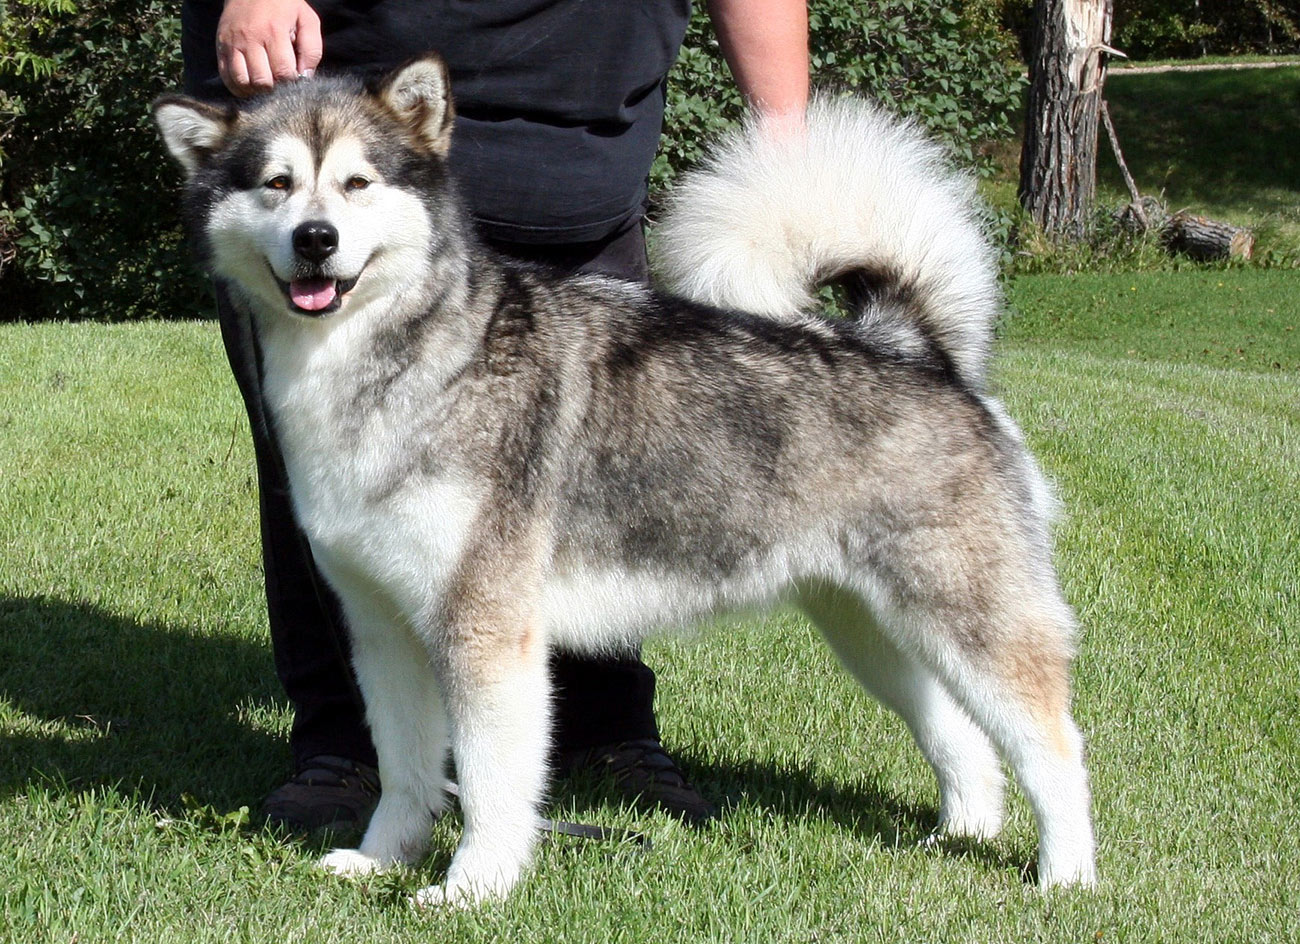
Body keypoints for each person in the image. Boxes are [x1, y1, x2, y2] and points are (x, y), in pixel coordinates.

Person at [178, 0, 809, 834]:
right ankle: (353, 754)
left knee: (583, 498)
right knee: (335, 510)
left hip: (581, 136)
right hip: (330, 56)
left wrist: (788, 134)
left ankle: (599, 732)